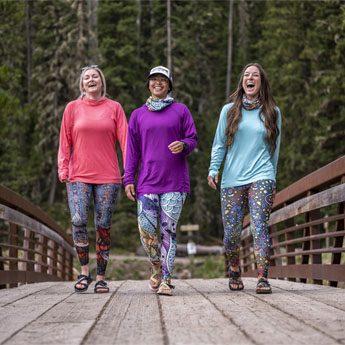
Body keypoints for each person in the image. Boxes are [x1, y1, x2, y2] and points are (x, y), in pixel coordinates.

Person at [208, 63, 281, 294]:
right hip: (232, 178)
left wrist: (273, 177)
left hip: (262, 175)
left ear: (261, 82)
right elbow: (219, 143)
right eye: (246, 75)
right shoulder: (228, 111)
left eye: (255, 75)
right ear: (242, 82)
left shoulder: (272, 112)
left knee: (259, 225)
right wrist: (213, 169)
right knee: (231, 233)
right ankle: (234, 269)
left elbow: (274, 149)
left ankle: (262, 278)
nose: (250, 78)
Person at [124, 66, 197, 296]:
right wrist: (128, 179)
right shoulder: (137, 115)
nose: (158, 83)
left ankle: (166, 278)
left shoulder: (181, 110)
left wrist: (184, 145)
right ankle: (155, 265)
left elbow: (192, 138)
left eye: (162, 80)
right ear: (148, 84)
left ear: (169, 85)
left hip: (175, 183)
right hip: (147, 182)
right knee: (146, 230)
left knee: (168, 231)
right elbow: (132, 150)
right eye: (154, 79)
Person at [58, 65, 127, 293]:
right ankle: (84, 271)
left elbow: (126, 142)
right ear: (82, 85)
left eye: (95, 76)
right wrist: (63, 168)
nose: (91, 79)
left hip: (108, 176)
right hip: (78, 175)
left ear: (101, 82)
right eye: (86, 77)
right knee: (78, 220)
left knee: (103, 226)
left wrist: (130, 173)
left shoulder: (115, 108)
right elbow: (64, 141)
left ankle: (101, 277)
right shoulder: (72, 108)